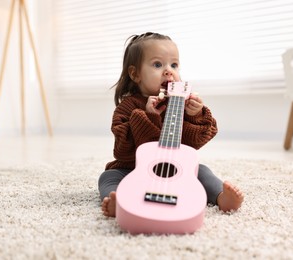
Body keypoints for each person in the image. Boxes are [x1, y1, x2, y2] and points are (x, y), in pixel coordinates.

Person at [98, 32, 244, 217]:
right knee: (108, 177)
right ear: (135, 74)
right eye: (157, 64)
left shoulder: (180, 104)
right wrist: (147, 117)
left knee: (202, 171)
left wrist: (195, 114)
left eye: (174, 65)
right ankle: (119, 200)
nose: (169, 71)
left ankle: (221, 197)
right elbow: (122, 149)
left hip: (172, 168)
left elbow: (193, 144)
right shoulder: (127, 108)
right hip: (132, 168)